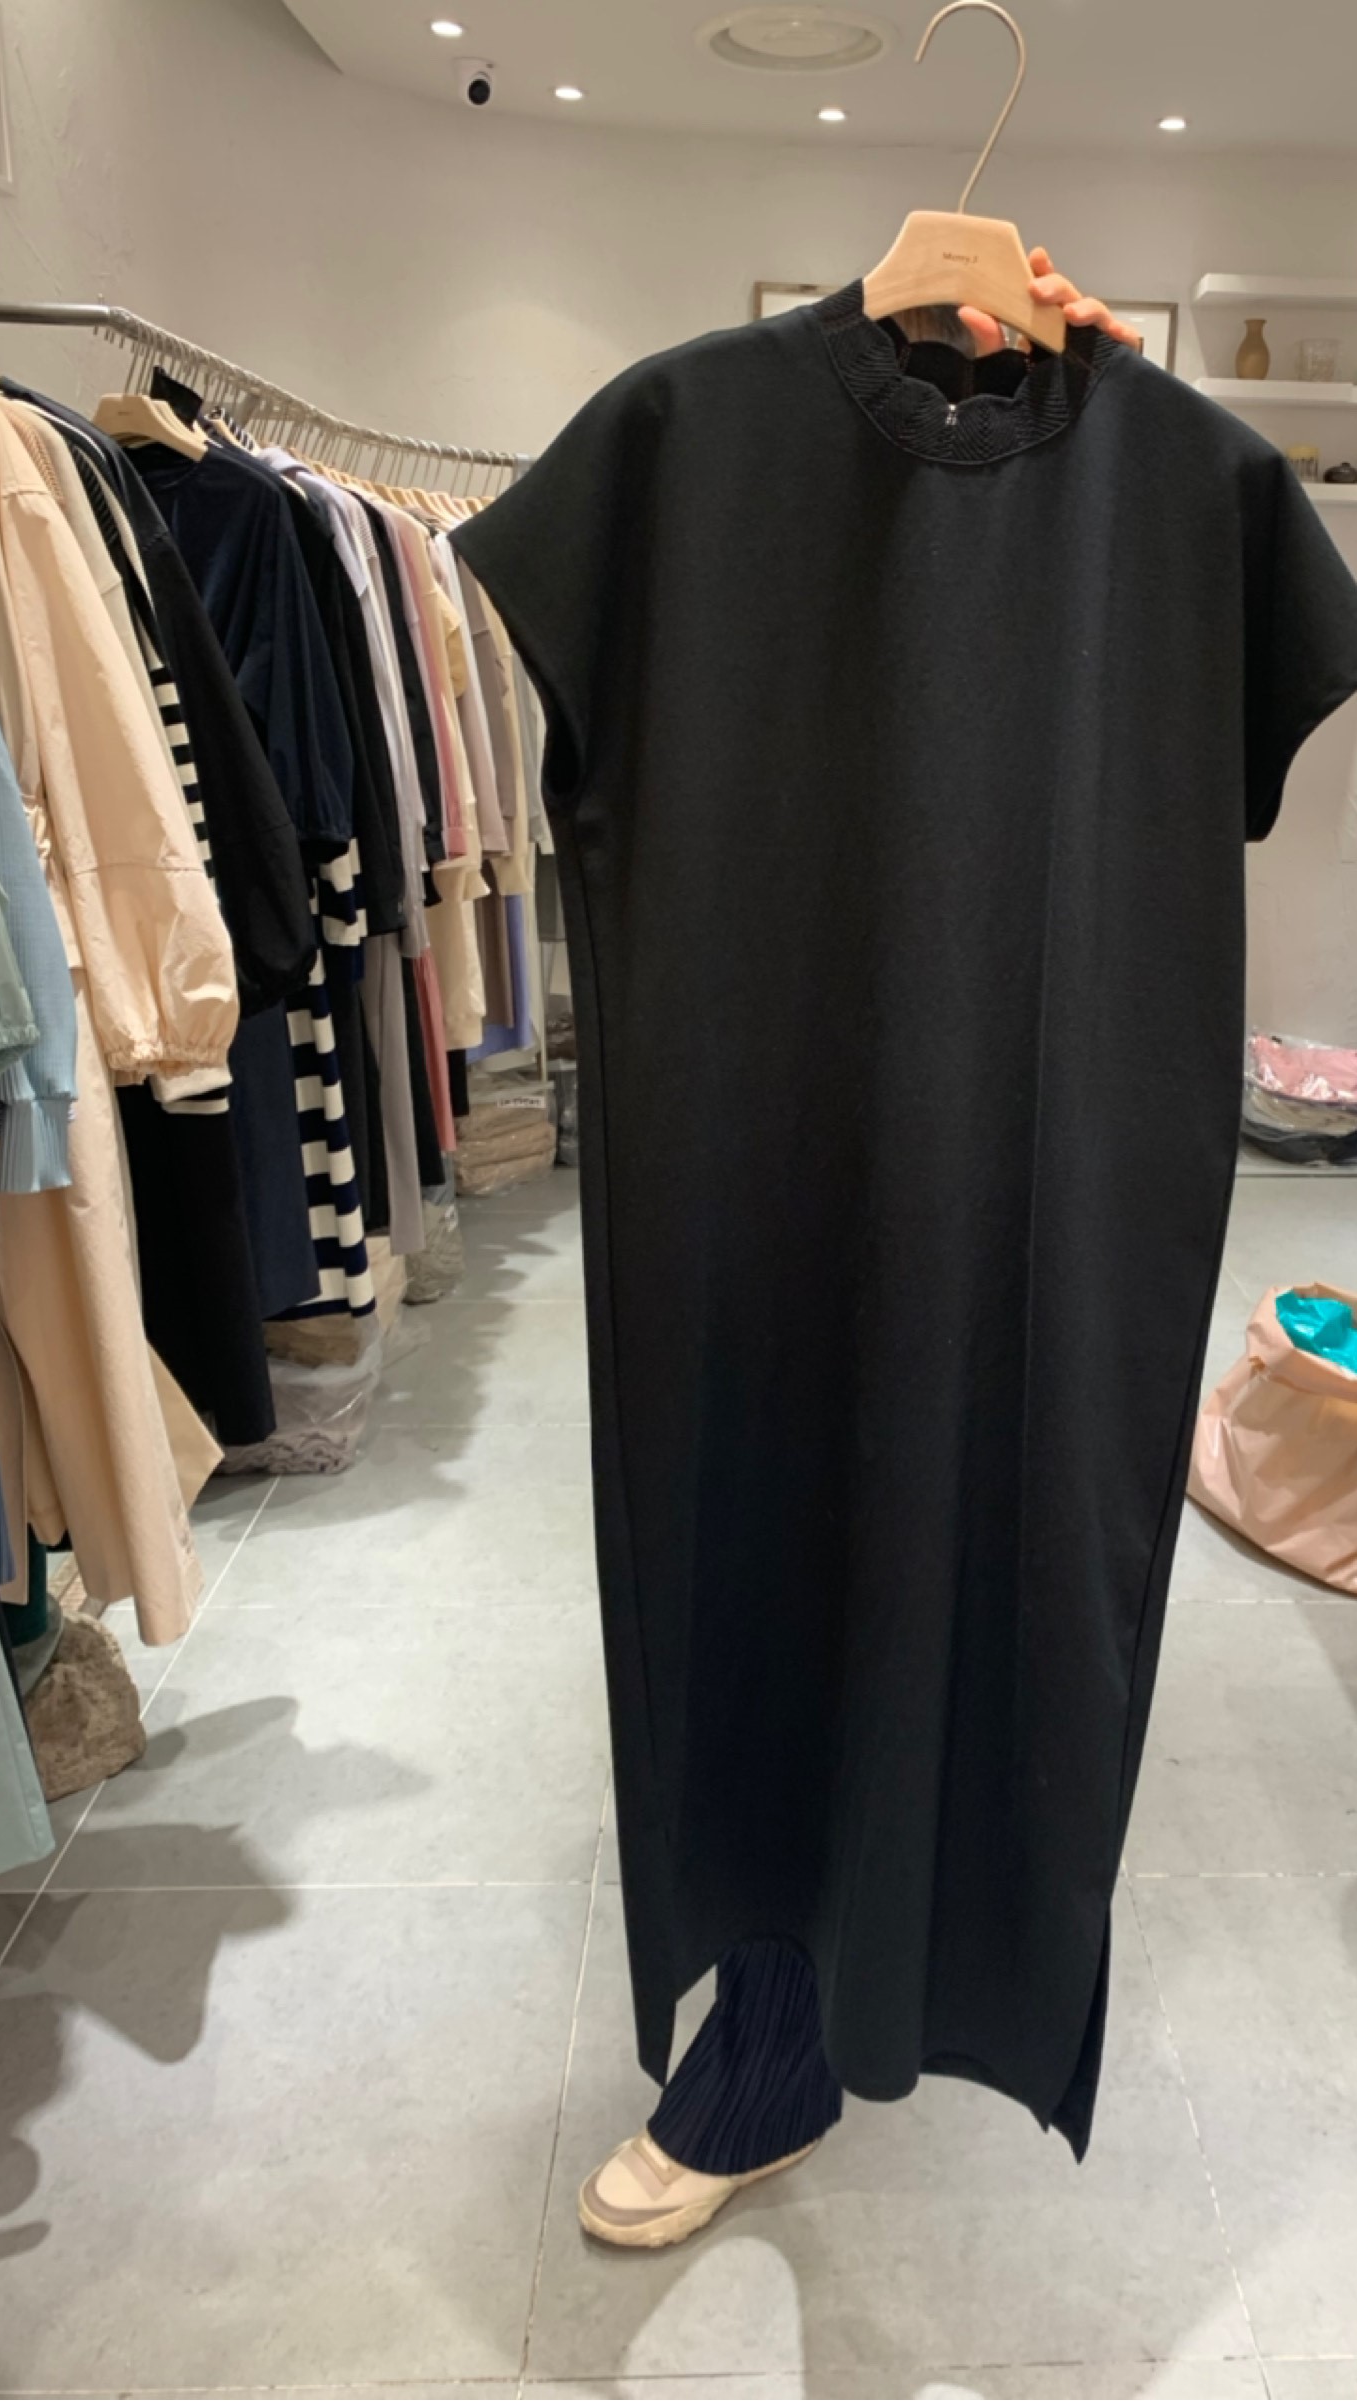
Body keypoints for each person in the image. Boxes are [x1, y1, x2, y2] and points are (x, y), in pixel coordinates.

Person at [575, 252, 1150, 2252]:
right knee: (761, 1554)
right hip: (752, 1134)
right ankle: (778, 2020)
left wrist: (1116, 453)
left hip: (1026, 1156)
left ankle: (879, 1988)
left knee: (971, 1563)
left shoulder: (1178, 487)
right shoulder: (672, 438)